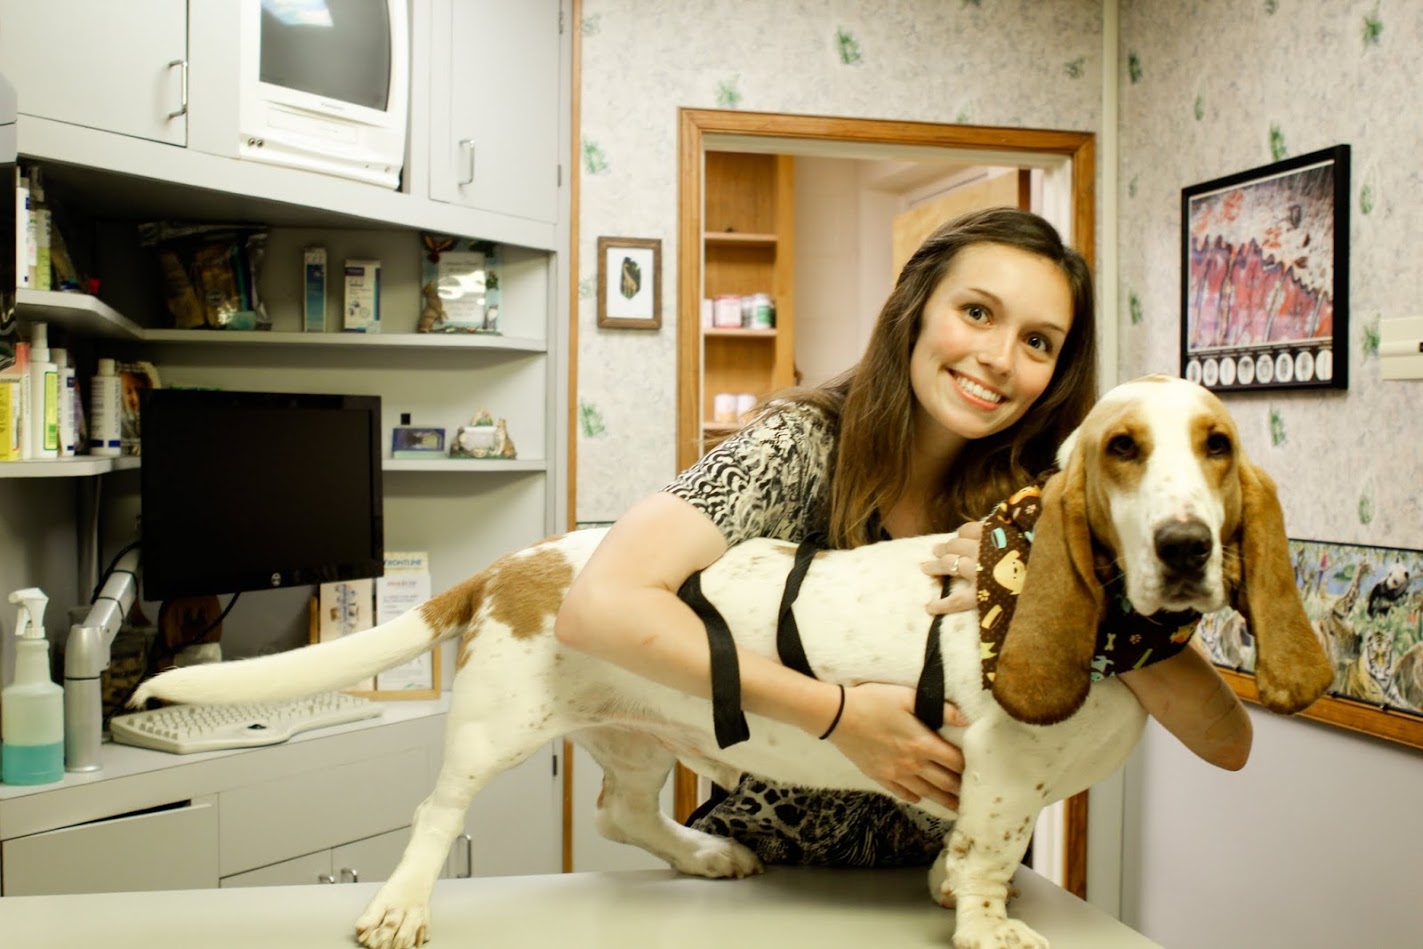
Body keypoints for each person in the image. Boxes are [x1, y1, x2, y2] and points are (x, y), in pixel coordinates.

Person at [556, 207, 1252, 867]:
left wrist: (1048, 589)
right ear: (914, 308)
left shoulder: (1049, 504)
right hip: (760, 876)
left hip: (955, 885)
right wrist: (836, 716)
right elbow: (600, 605)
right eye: (976, 312)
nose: (999, 358)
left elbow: (1224, 741)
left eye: (1037, 341)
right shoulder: (793, 450)